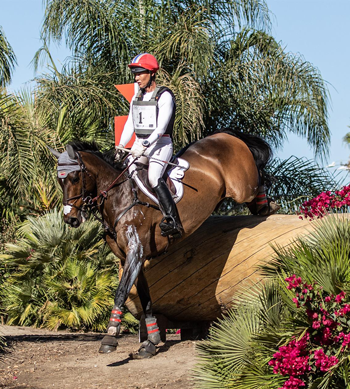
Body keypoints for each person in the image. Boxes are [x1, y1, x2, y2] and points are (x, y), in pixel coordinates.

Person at [115, 53, 183, 238]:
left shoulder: (164, 95)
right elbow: (130, 123)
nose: (136, 78)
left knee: (153, 177)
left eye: (140, 73)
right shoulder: (136, 97)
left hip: (161, 144)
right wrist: (121, 145)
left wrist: (143, 145)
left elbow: (161, 128)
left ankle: (173, 220)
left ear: (152, 73)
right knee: (125, 171)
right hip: (140, 144)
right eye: (135, 74)